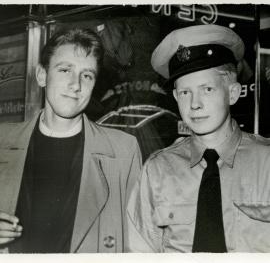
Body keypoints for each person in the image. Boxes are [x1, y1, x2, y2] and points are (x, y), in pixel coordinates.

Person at [126, 24, 270, 252]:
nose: (195, 104)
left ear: (232, 93)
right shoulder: (158, 171)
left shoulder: (267, 163)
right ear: (175, 96)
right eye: (185, 92)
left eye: (207, 89)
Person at [0, 28, 142, 253]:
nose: (76, 84)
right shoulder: (2, 142)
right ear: (42, 75)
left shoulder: (123, 150)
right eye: (65, 70)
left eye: (87, 75)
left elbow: (138, 244)